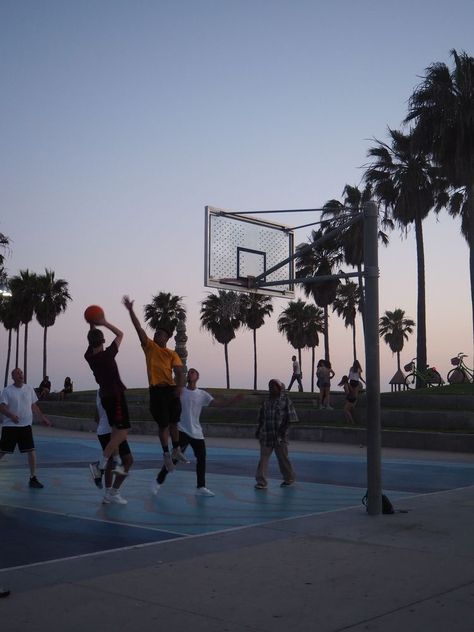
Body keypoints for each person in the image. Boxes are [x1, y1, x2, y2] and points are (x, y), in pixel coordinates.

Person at [152, 367, 242, 497]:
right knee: (174, 459)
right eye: (189, 372)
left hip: (196, 432)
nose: (190, 373)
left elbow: (218, 404)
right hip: (181, 430)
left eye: (192, 372)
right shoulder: (181, 391)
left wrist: (233, 401)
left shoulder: (202, 394)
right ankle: (158, 481)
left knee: (202, 459)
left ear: (197, 377)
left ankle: (201, 487)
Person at [122, 295, 186, 473]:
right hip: (157, 392)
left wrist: (180, 386)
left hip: (171, 389)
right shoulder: (150, 347)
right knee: (163, 425)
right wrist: (131, 311)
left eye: (160, 333)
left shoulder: (172, 353)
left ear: (166, 337)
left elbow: (180, 371)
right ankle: (166, 454)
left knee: (175, 422)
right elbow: (139, 329)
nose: (156, 334)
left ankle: (177, 449)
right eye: (156, 332)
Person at [84, 315, 133, 505]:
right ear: (103, 341)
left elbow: (92, 342)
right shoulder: (107, 355)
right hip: (116, 397)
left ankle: (112, 490)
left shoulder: (90, 357)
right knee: (123, 431)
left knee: (124, 451)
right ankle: (99, 466)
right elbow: (121, 333)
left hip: (106, 397)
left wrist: (92, 326)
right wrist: (103, 322)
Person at [0, 367, 52, 488]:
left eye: (21, 372)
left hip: (25, 426)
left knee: (31, 451)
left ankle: (33, 478)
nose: (20, 374)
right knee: (2, 451)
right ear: (13, 377)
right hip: (10, 426)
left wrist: (43, 418)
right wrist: (12, 416)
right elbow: (1, 407)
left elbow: (34, 406)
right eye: (17, 373)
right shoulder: (7, 391)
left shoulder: (29, 389)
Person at [89, 391, 134, 504]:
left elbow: (96, 415)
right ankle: (113, 491)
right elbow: (114, 415)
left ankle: (109, 493)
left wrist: (102, 427)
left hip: (103, 430)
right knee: (128, 460)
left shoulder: (101, 390)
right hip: (112, 431)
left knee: (111, 462)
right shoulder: (111, 390)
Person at [254, 379, 298, 489]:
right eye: (270, 387)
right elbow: (261, 417)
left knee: (283, 458)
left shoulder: (286, 401)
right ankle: (261, 481)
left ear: (279, 388)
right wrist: (258, 430)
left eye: (274, 386)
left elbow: (291, 418)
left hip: (280, 436)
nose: (271, 389)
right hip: (266, 435)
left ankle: (289, 479)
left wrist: (284, 430)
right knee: (263, 458)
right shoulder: (266, 402)